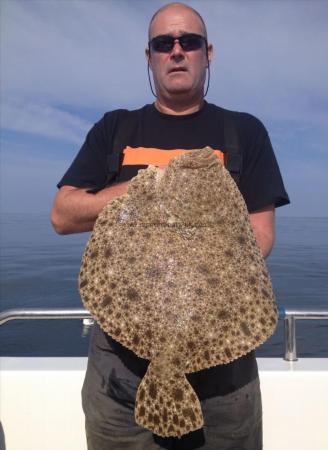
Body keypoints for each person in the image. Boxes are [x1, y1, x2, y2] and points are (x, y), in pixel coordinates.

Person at [51, 3, 289, 449]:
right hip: (118, 369)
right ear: (150, 56)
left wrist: (194, 281)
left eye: (189, 42)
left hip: (224, 372)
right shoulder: (115, 128)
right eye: (164, 43)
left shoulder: (244, 132)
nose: (177, 51)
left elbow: (261, 235)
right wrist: (143, 188)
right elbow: (63, 215)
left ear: (207, 52)